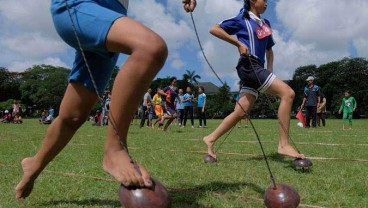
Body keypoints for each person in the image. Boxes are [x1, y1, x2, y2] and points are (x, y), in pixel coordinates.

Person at [15, 0, 197, 200]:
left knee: (73, 116)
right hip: (79, 6)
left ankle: (35, 163)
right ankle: (115, 149)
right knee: (151, 47)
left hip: (110, 14)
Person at [203, 0, 305, 159]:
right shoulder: (241, 19)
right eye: (263, 0)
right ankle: (284, 145)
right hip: (248, 66)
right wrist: (237, 43)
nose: (267, 3)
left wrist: (270, 70)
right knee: (288, 93)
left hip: (259, 68)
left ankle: (210, 139)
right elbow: (214, 29)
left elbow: (269, 49)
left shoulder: (266, 24)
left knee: (240, 112)